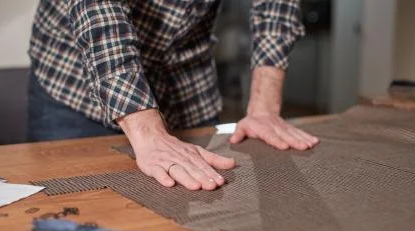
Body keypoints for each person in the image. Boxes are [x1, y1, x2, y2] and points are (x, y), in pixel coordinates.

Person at [28, 0, 319, 191]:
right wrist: (147, 131)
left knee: (198, 215)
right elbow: (99, 10)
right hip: (79, 81)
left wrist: (264, 108)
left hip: (186, 82)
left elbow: (276, 7)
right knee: (76, 217)